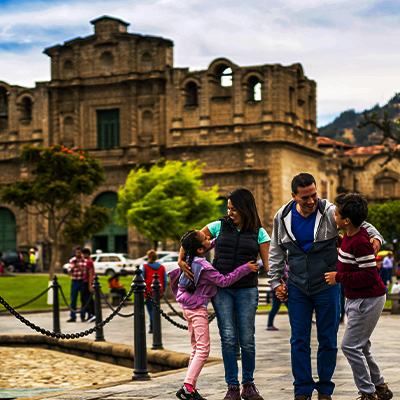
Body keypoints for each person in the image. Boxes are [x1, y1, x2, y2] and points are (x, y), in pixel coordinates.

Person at [268, 173, 383, 400]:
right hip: (298, 288)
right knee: (298, 339)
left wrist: (376, 237)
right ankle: (302, 389)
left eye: (314, 195)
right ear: (294, 196)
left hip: (328, 286)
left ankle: (325, 389)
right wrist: (275, 281)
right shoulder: (281, 217)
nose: (311, 201)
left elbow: (362, 223)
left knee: (328, 339)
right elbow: (276, 251)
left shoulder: (329, 211)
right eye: (305, 198)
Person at [179, 188, 270, 400]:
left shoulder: (259, 232)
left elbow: (268, 263)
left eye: (234, 209)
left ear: (245, 209)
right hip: (222, 291)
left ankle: (248, 384)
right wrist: (180, 260)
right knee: (228, 338)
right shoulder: (218, 226)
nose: (230, 213)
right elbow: (190, 240)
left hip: (247, 289)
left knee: (247, 339)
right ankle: (232, 387)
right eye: (228, 209)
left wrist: (279, 281)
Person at [171, 230, 259, 400]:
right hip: (197, 310)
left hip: (187, 308)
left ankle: (190, 387)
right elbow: (224, 281)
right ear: (198, 249)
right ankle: (187, 388)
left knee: (196, 348)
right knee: (203, 350)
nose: (209, 238)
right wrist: (246, 268)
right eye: (205, 238)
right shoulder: (204, 268)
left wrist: (225, 237)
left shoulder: (191, 260)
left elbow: (204, 245)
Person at [325, 193, 392, 400]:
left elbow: (369, 275)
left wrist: (340, 277)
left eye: (335, 214)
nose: (333, 217)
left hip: (368, 299)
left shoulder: (361, 241)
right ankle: (379, 386)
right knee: (361, 345)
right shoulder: (350, 235)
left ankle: (368, 392)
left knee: (350, 346)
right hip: (357, 299)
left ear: (346, 220)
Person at [141, 249, 168, 334]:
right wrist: (163, 290)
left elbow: (141, 278)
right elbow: (165, 280)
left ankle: (153, 327)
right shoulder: (162, 267)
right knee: (156, 309)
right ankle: (155, 326)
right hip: (158, 292)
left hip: (148, 291)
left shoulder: (145, 267)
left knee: (150, 310)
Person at [67, 247, 86, 322]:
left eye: (79, 252)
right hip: (74, 281)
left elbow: (85, 273)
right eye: (76, 252)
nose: (77, 254)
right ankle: (73, 316)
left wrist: (79, 268)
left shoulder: (84, 261)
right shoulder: (72, 260)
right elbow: (68, 271)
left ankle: (83, 316)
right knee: (73, 299)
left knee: (83, 299)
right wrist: (73, 267)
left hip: (82, 281)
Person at [266, 265, 288, 331]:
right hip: (278, 289)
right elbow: (281, 275)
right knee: (275, 308)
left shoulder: (285, 266)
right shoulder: (279, 265)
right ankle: (269, 325)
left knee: (290, 307)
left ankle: (269, 324)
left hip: (284, 289)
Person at [81, 248, 95, 323]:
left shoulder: (89, 262)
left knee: (84, 299)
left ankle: (91, 313)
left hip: (87, 282)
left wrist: (90, 285)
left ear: (87, 254)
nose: (82, 256)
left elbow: (90, 273)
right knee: (89, 299)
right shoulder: (89, 261)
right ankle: (92, 313)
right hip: (87, 282)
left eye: (83, 254)